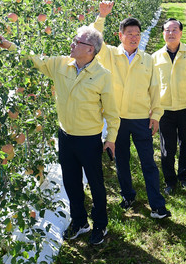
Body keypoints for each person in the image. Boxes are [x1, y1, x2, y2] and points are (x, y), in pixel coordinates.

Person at [27, 26, 120, 246]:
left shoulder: (102, 76)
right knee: (71, 182)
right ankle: (79, 221)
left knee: (96, 184)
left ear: (90, 49)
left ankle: (100, 224)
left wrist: (111, 139)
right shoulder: (61, 64)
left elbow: (112, 113)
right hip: (66, 136)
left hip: (89, 138)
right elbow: (36, 60)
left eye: (77, 41)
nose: (72, 44)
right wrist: (8, 46)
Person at [90, 1, 171, 219]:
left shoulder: (147, 59)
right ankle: (128, 195)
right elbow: (94, 38)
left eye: (137, 34)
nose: (134, 37)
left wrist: (156, 115)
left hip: (141, 118)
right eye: (129, 34)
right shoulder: (109, 55)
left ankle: (157, 205)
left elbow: (155, 89)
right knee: (122, 160)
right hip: (117, 119)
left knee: (148, 162)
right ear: (120, 36)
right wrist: (102, 16)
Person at [151, 18, 186, 195]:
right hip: (165, 109)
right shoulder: (155, 57)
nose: (171, 33)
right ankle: (170, 180)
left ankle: (183, 177)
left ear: (181, 33)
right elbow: (151, 85)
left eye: (175, 30)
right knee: (167, 147)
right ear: (163, 34)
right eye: (167, 30)